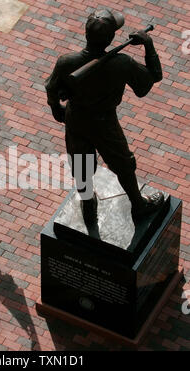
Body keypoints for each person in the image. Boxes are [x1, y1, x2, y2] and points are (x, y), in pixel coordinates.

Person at [45, 9, 164, 224]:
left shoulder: (66, 61)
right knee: (123, 164)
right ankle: (138, 204)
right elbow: (152, 78)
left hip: (76, 120)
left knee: (80, 163)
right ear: (110, 39)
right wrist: (148, 43)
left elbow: (51, 89)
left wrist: (57, 111)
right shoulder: (122, 63)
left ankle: (88, 204)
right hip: (104, 123)